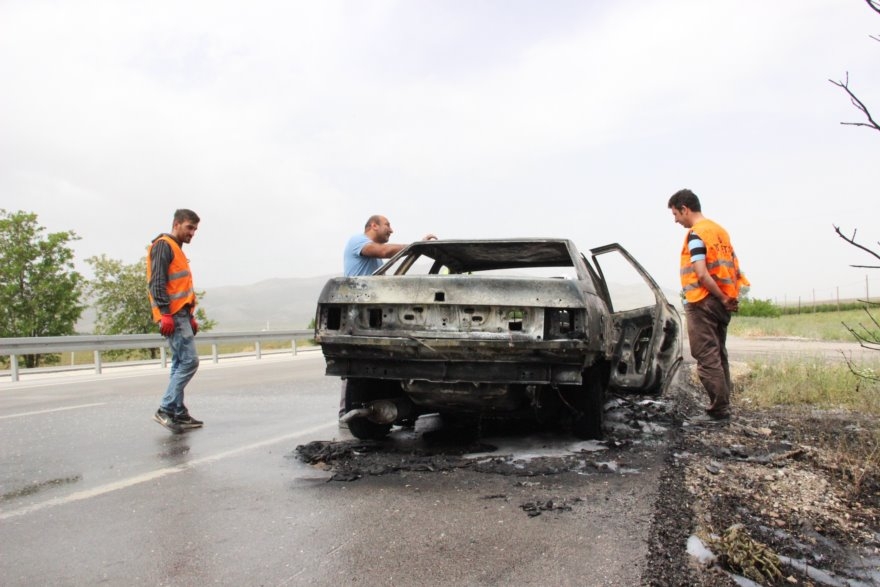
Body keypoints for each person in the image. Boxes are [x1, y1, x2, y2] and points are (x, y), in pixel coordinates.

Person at [339, 215, 437, 423]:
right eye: (387, 225)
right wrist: (416, 247)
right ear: (373, 225)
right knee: (357, 364)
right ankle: (347, 412)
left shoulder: (375, 261)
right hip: (357, 314)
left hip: (370, 314)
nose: (391, 230)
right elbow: (384, 251)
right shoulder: (357, 241)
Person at [668, 189, 749, 423]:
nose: (676, 220)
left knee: (706, 356)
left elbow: (701, 273)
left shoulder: (697, 234)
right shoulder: (720, 232)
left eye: (676, 214)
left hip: (702, 300)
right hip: (722, 301)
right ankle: (724, 406)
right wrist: (729, 298)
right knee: (719, 353)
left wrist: (721, 298)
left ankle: (719, 410)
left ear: (685, 208)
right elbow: (733, 268)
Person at [147, 209, 203, 433]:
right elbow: (157, 282)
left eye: (195, 229)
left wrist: (190, 315)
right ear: (177, 224)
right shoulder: (163, 245)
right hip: (172, 314)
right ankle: (166, 408)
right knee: (190, 362)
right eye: (190, 227)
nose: (193, 233)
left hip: (181, 315)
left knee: (180, 362)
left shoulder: (177, 250)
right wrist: (166, 313)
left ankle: (178, 412)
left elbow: (178, 286)